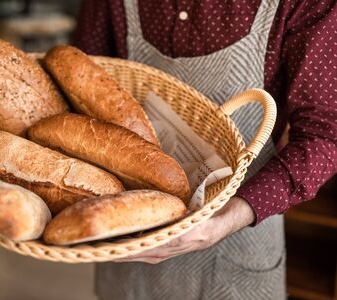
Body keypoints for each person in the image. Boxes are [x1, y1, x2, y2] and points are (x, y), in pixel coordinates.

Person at [72, 0, 337, 299]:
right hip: (130, 238)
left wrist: (227, 219)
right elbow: (83, 82)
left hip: (240, 238)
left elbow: (324, 137)